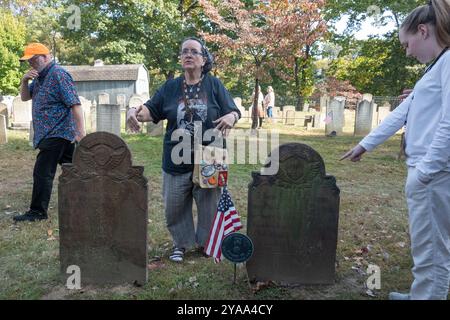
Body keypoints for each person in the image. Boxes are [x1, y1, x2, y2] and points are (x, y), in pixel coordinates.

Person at [341, 0, 450, 300]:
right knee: (424, 241)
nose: (408, 51)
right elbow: (402, 115)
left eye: (407, 43)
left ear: (424, 31)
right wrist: (366, 144)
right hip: (426, 171)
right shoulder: (435, 68)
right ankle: (421, 294)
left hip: (434, 172)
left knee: (433, 247)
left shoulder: (448, 62)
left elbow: (449, 123)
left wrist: (426, 171)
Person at [127, 37, 241, 263]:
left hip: (210, 155)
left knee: (210, 204)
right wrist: (133, 110)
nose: (188, 55)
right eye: (184, 51)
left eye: (194, 51)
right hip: (176, 157)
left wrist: (231, 116)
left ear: (203, 58)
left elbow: (234, 111)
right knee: (174, 205)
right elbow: (150, 110)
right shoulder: (170, 87)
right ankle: (182, 243)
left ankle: (207, 243)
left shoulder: (214, 85)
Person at [13, 43, 85, 222]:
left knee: (42, 172)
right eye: (28, 60)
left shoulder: (58, 74)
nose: (30, 63)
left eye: (34, 59)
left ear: (45, 57)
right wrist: (24, 81)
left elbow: (75, 104)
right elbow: (24, 97)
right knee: (74, 170)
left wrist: (81, 133)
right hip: (52, 134)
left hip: (57, 132)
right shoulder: (39, 77)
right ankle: (89, 200)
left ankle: (37, 212)